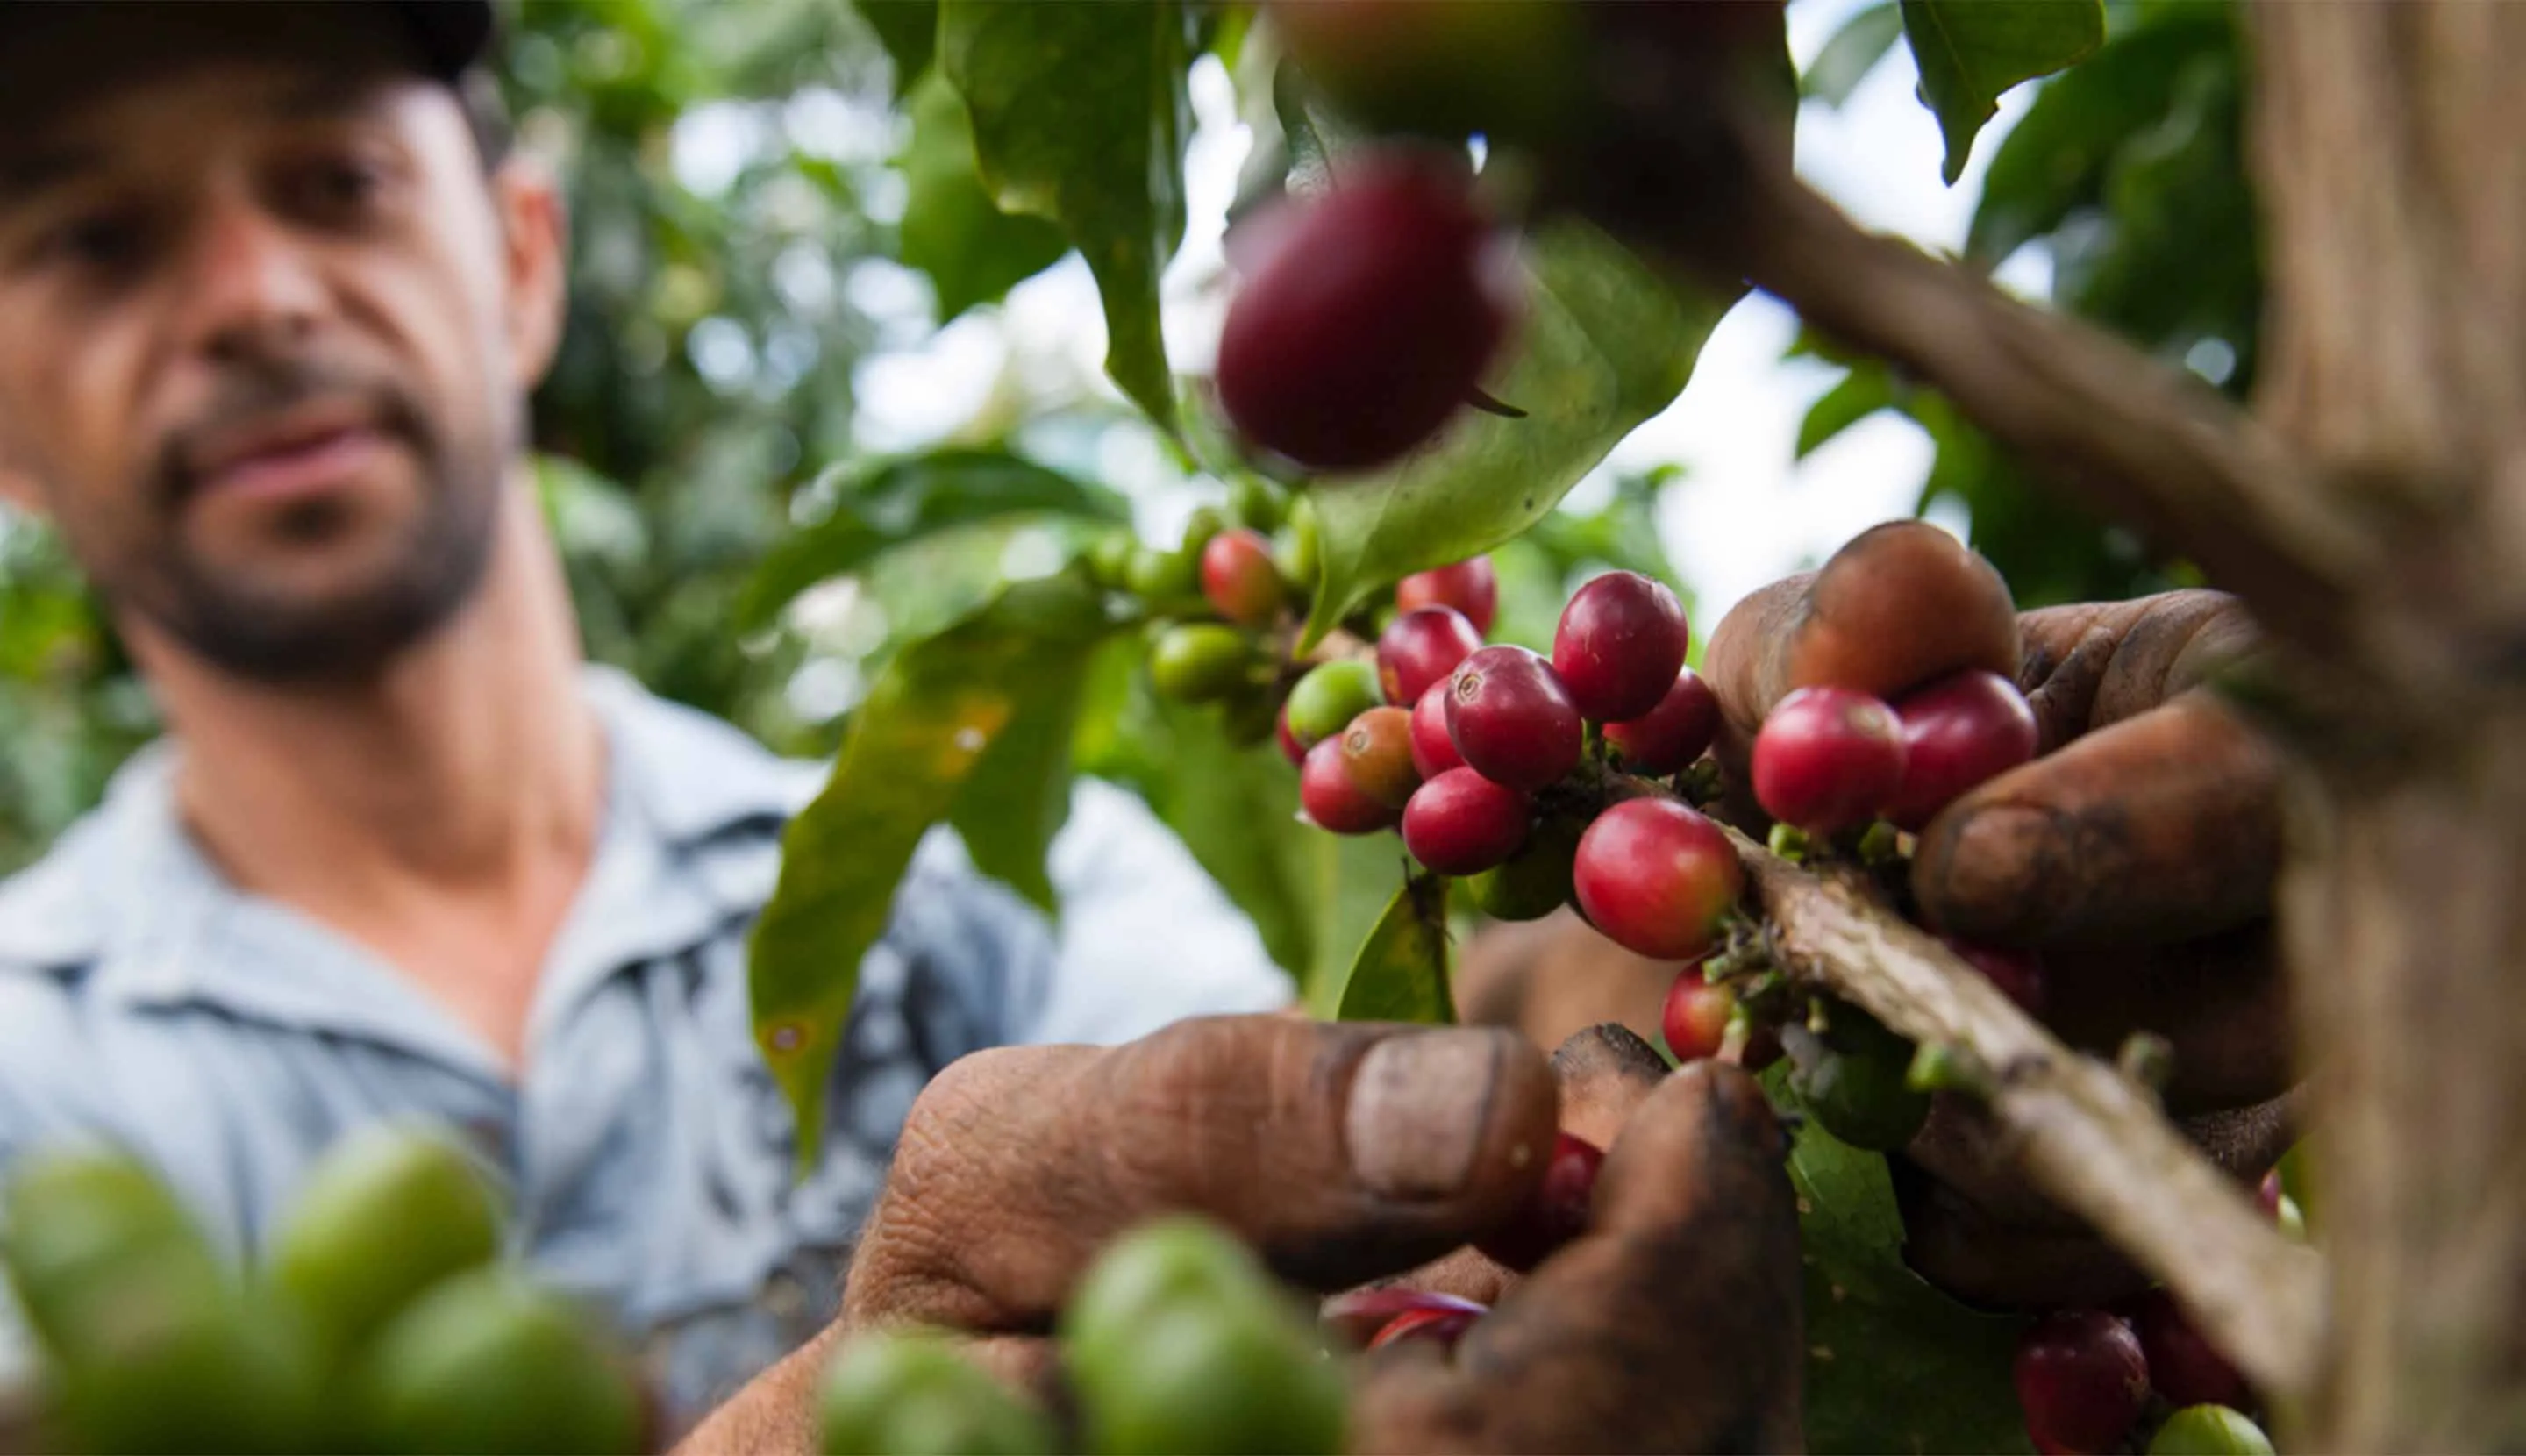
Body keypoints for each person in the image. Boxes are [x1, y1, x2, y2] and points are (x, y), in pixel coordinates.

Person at [0, 3, 2290, 1452]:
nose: (255, 296)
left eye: (333, 184)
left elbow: (1378, 1132)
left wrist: (1802, 983)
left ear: (518, 259)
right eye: (96, 240)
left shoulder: (977, 881)